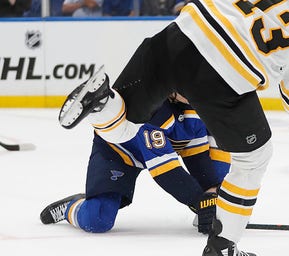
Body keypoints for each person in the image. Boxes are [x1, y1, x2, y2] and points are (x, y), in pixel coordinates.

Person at [56, 0, 289, 256]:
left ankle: (101, 104)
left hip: (182, 34)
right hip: (222, 80)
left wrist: (228, 7)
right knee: (255, 158)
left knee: (124, 123)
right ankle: (223, 247)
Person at [40, 94, 230, 234]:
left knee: (218, 169)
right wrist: (198, 201)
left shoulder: (194, 108)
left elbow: (197, 159)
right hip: (118, 153)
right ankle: (72, 207)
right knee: (97, 219)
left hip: (156, 150)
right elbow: (167, 172)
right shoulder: (153, 110)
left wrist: (211, 196)